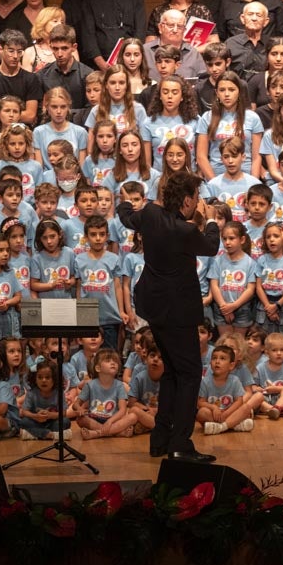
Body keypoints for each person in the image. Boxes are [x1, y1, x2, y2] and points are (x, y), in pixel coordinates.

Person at [116, 170, 221, 462]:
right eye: (196, 197)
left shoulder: (150, 214)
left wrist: (125, 203)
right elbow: (211, 246)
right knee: (189, 374)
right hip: (178, 312)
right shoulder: (185, 230)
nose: (198, 202)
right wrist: (211, 219)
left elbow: (127, 217)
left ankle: (160, 439)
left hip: (154, 308)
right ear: (186, 201)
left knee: (173, 372)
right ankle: (180, 444)